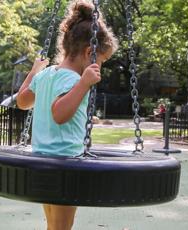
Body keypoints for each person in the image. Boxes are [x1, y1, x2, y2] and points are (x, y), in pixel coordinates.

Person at [16, 1, 118, 229]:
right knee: (62, 227)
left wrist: (34, 72)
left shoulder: (47, 75)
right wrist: (83, 84)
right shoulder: (74, 79)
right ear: (89, 52)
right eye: (100, 61)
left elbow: (22, 101)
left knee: (54, 225)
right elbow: (59, 113)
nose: (99, 68)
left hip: (43, 159)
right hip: (64, 163)